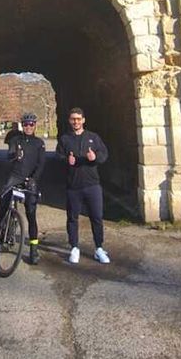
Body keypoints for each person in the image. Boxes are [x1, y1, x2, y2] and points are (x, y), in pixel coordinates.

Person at [56, 107, 110, 264]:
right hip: (73, 185)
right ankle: (74, 247)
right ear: (69, 121)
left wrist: (95, 157)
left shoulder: (93, 137)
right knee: (72, 218)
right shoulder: (65, 139)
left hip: (92, 184)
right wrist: (66, 160)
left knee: (97, 217)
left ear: (83, 120)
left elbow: (104, 155)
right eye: (73, 119)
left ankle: (99, 248)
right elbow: (58, 156)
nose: (76, 122)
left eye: (78, 119)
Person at [0, 112, 46, 264]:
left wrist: (34, 179)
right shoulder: (16, 140)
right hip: (16, 176)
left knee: (31, 213)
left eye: (31, 124)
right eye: (25, 124)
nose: (28, 127)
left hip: (31, 178)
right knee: (3, 202)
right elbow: (9, 157)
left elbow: (41, 164)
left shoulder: (39, 143)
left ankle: (33, 249)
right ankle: (1, 233)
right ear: (22, 126)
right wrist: (15, 155)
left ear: (35, 125)